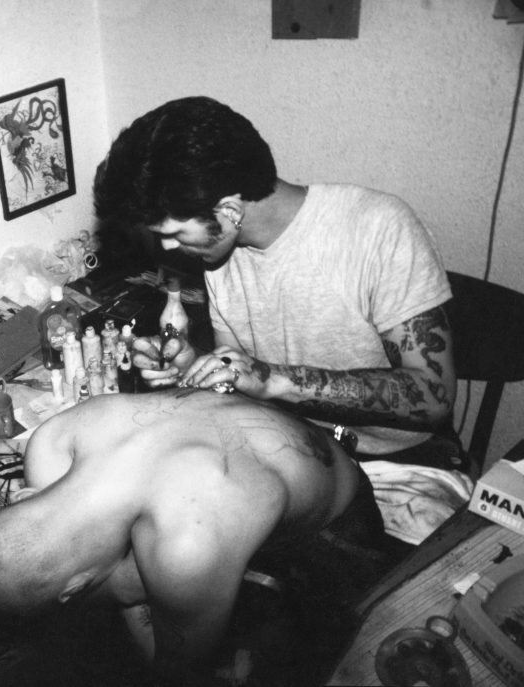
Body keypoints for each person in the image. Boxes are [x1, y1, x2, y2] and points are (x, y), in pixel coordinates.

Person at [92, 96, 459, 469]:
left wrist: (274, 380)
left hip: (397, 461)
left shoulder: (380, 229)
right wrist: (192, 366)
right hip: (291, 448)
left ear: (230, 211)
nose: (168, 247)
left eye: (173, 233)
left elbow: (434, 396)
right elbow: (241, 381)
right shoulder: (218, 252)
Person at [0, 390, 394, 684]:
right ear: (22, 497)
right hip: (248, 476)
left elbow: (178, 670)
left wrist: (123, 590)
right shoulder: (53, 441)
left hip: (332, 525)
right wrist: (129, 587)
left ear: (76, 587)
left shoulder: (188, 548)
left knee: (329, 655)